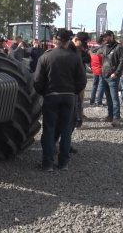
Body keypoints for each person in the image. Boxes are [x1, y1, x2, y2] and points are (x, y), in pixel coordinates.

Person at [34, 28, 87, 172]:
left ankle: (48, 164)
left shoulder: (45, 57)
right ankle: (63, 163)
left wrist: (44, 93)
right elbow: (82, 81)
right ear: (68, 41)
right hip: (69, 97)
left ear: (54, 40)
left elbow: (37, 80)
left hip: (51, 96)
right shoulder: (75, 57)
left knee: (49, 130)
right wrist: (73, 92)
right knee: (65, 130)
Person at [98, 30, 123, 127]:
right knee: (108, 98)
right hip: (104, 75)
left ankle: (116, 118)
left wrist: (116, 73)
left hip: (113, 76)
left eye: (106, 37)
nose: (104, 39)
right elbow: (95, 51)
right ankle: (110, 115)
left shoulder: (119, 47)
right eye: (103, 37)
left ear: (111, 36)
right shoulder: (105, 47)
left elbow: (122, 61)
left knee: (114, 98)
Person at [89, 36, 104, 106]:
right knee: (101, 86)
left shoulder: (92, 49)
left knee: (94, 85)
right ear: (102, 41)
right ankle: (99, 101)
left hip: (94, 69)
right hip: (101, 69)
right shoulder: (102, 50)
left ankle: (92, 101)